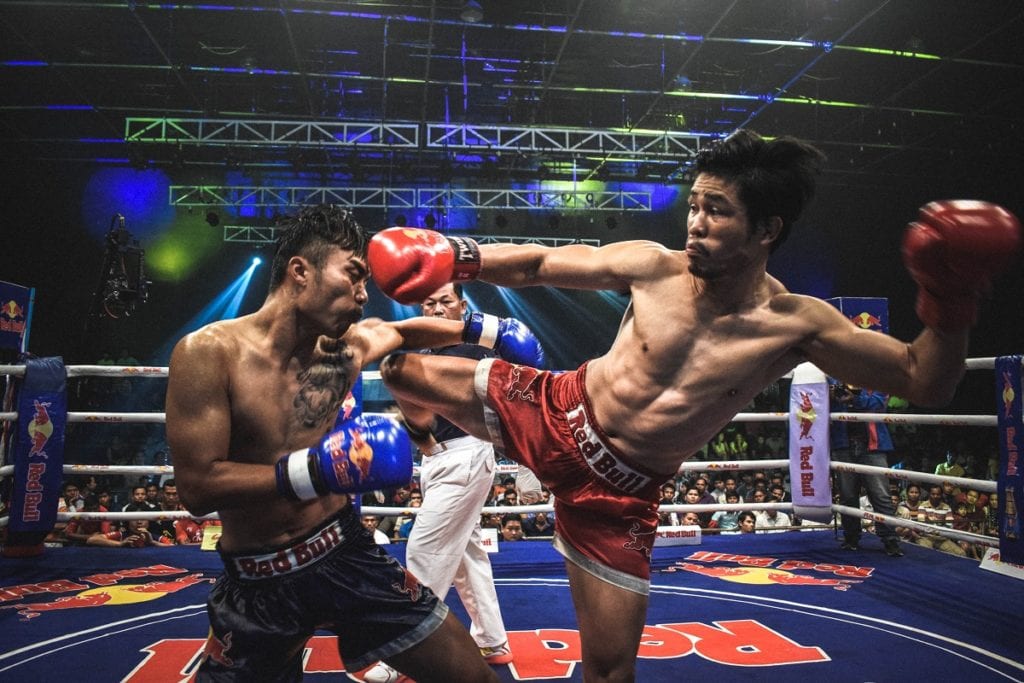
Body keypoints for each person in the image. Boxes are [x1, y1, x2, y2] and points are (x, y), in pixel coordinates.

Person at [369, 129, 1021, 682]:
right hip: (551, 408)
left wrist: (950, 299)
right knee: (391, 361)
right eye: (695, 206)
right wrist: (460, 256)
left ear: (768, 229)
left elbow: (923, 379)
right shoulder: (655, 266)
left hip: (618, 496)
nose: (696, 224)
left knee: (610, 669)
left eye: (718, 211)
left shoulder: (796, 326)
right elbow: (541, 261)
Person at [165, 205, 500, 682]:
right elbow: (197, 488)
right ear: (300, 271)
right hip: (258, 578)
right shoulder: (210, 353)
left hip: (346, 552)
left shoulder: (340, 353)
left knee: (474, 677)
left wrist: (487, 330)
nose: (364, 296)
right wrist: (317, 470)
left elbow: (401, 330)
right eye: (354, 275)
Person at [402, 282, 538, 668]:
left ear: (462, 306)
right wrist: (425, 443)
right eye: (430, 302)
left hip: (467, 456)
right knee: (466, 556)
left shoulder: (477, 352)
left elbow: (518, 399)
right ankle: (493, 642)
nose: (438, 308)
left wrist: (527, 463)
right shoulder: (423, 353)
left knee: (424, 551)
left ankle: (407, 648)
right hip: (437, 461)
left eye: (446, 301)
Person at [830, 382, 903, 556]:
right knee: (847, 496)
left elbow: (879, 404)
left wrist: (855, 398)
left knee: (881, 495)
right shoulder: (833, 377)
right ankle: (851, 538)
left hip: (872, 446)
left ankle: (890, 539)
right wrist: (830, 396)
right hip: (843, 444)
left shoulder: (875, 375)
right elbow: (819, 405)